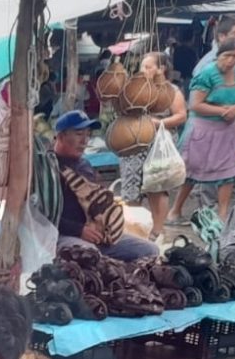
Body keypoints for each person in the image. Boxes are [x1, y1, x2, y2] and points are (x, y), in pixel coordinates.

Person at [51, 111, 158, 262]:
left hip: (98, 234)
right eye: (79, 134)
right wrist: (79, 230)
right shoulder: (47, 167)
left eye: (88, 134)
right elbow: (41, 215)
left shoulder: (85, 164)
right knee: (90, 255)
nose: (84, 141)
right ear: (61, 136)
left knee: (150, 250)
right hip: (64, 235)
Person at [172, 45, 235, 225]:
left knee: (228, 172)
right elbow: (195, 105)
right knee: (193, 171)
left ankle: (222, 216)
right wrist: (222, 111)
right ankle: (175, 210)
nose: (230, 60)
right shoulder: (206, 74)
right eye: (227, 55)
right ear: (218, 55)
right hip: (203, 128)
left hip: (229, 129)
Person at [116, 53, 188, 240]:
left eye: (147, 67)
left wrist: (157, 123)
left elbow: (181, 116)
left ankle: (156, 231)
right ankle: (134, 230)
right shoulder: (137, 88)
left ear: (161, 69)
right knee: (131, 189)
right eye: (142, 66)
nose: (143, 70)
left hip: (158, 144)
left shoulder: (171, 91)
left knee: (157, 187)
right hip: (134, 143)